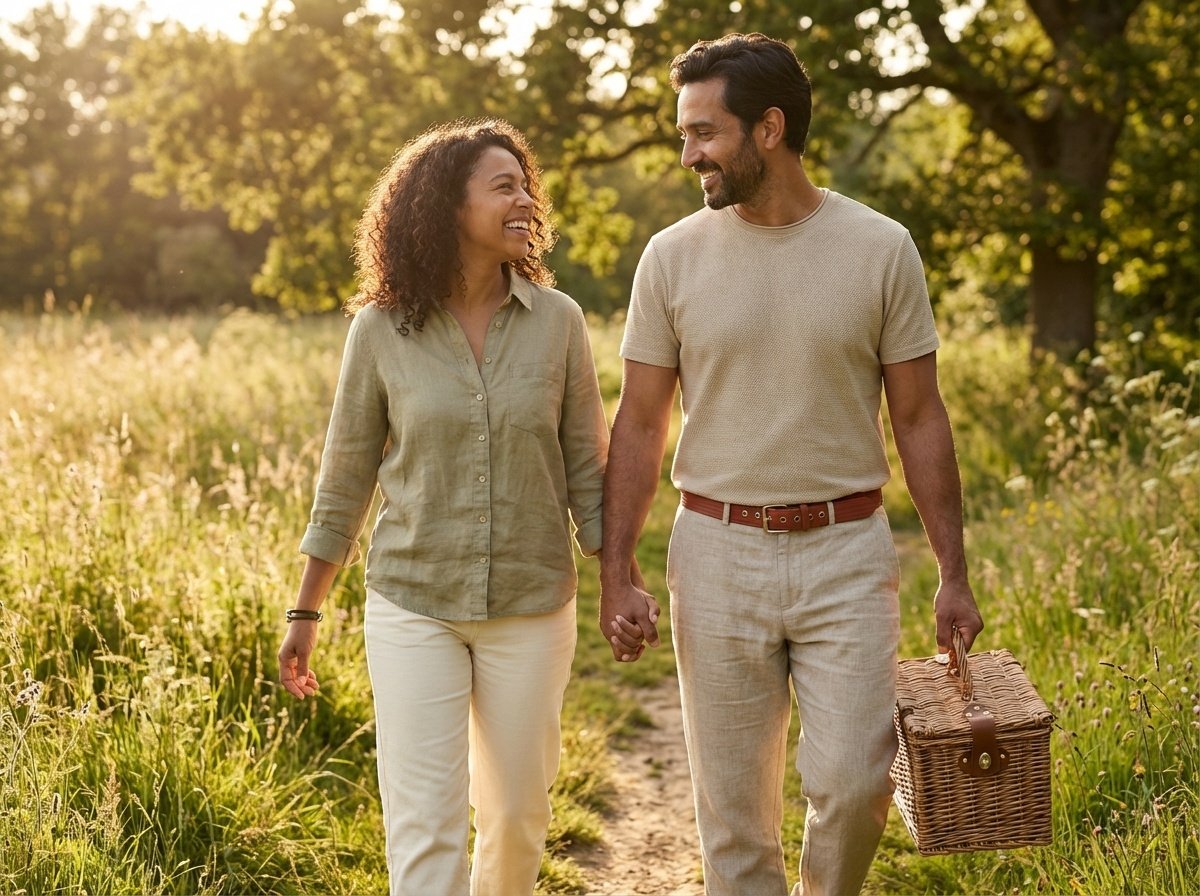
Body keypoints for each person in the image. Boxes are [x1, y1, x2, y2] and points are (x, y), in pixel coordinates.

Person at [598, 33, 985, 896]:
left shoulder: (880, 248)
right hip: (716, 548)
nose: (688, 152)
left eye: (705, 132)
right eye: (685, 133)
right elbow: (639, 422)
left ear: (768, 128)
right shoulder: (671, 257)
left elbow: (919, 418)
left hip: (845, 553)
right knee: (732, 818)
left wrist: (953, 571)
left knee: (854, 782)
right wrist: (615, 567)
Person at [277, 118, 610, 896]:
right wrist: (305, 613)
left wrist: (618, 576)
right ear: (445, 206)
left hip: (531, 603)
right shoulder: (380, 330)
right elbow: (345, 477)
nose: (525, 200)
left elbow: (586, 470)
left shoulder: (559, 324)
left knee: (518, 816)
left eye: (526, 185)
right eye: (503, 186)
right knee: (424, 826)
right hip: (412, 602)